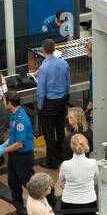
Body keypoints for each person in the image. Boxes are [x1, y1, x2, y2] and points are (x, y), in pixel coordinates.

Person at [0, 91, 35, 215]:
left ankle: (48, 196)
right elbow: (13, 137)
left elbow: (19, 144)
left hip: (23, 156)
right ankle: (19, 207)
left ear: (9, 103)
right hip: (14, 155)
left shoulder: (21, 120)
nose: (3, 103)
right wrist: (5, 144)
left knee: (28, 182)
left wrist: (4, 151)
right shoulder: (13, 114)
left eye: (4, 100)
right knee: (13, 181)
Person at [35, 38, 70, 169]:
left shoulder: (44, 68)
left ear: (43, 50)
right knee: (61, 129)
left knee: (49, 132)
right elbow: (68, 84)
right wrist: (65, 97)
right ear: (54, 49)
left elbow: (41, 91)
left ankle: (52, 161)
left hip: (48, 103)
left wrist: (40, 106)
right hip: (61, 101)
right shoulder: (64, 64)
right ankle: (63, 157)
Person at [57, 134, 98, 215]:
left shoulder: (65, 164)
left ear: (71, 147)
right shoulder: (93, 163)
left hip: (69, 203)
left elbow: (61, 179)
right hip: (89, 202)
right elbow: (96, 177)